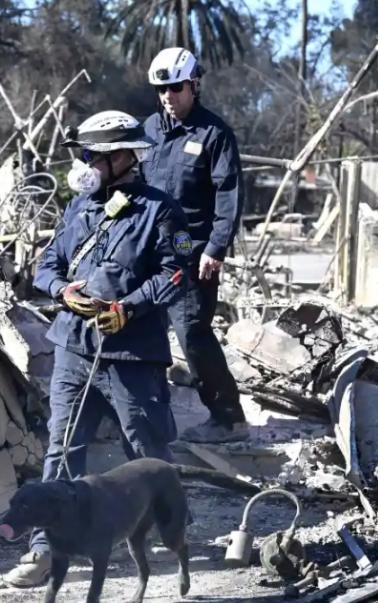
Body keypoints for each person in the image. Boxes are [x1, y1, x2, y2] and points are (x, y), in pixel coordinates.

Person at [2, 110, 192, 588]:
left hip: (133, 355)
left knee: (147, 451)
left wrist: (128, 308)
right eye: (83, 154)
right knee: (63, 451)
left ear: (125, 158)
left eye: (93, 155)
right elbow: (48, 266)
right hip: (74, 348)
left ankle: (168, 536)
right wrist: (62, 293)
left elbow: (175, 273)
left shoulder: (162, 211)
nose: (83, 164)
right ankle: (43, 550)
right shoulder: (79, 208)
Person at [139, 47, 250, 444]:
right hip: (146, 249)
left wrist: (215, 248)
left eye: (175, 88)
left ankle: (228, 419)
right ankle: (139, 414)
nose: (168, 96)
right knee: (134, 328)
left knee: (192, 332)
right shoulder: (148, 130)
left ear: (194, 85)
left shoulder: (214, 135)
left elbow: (228, 196)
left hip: (191, 248)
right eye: (161, 89)